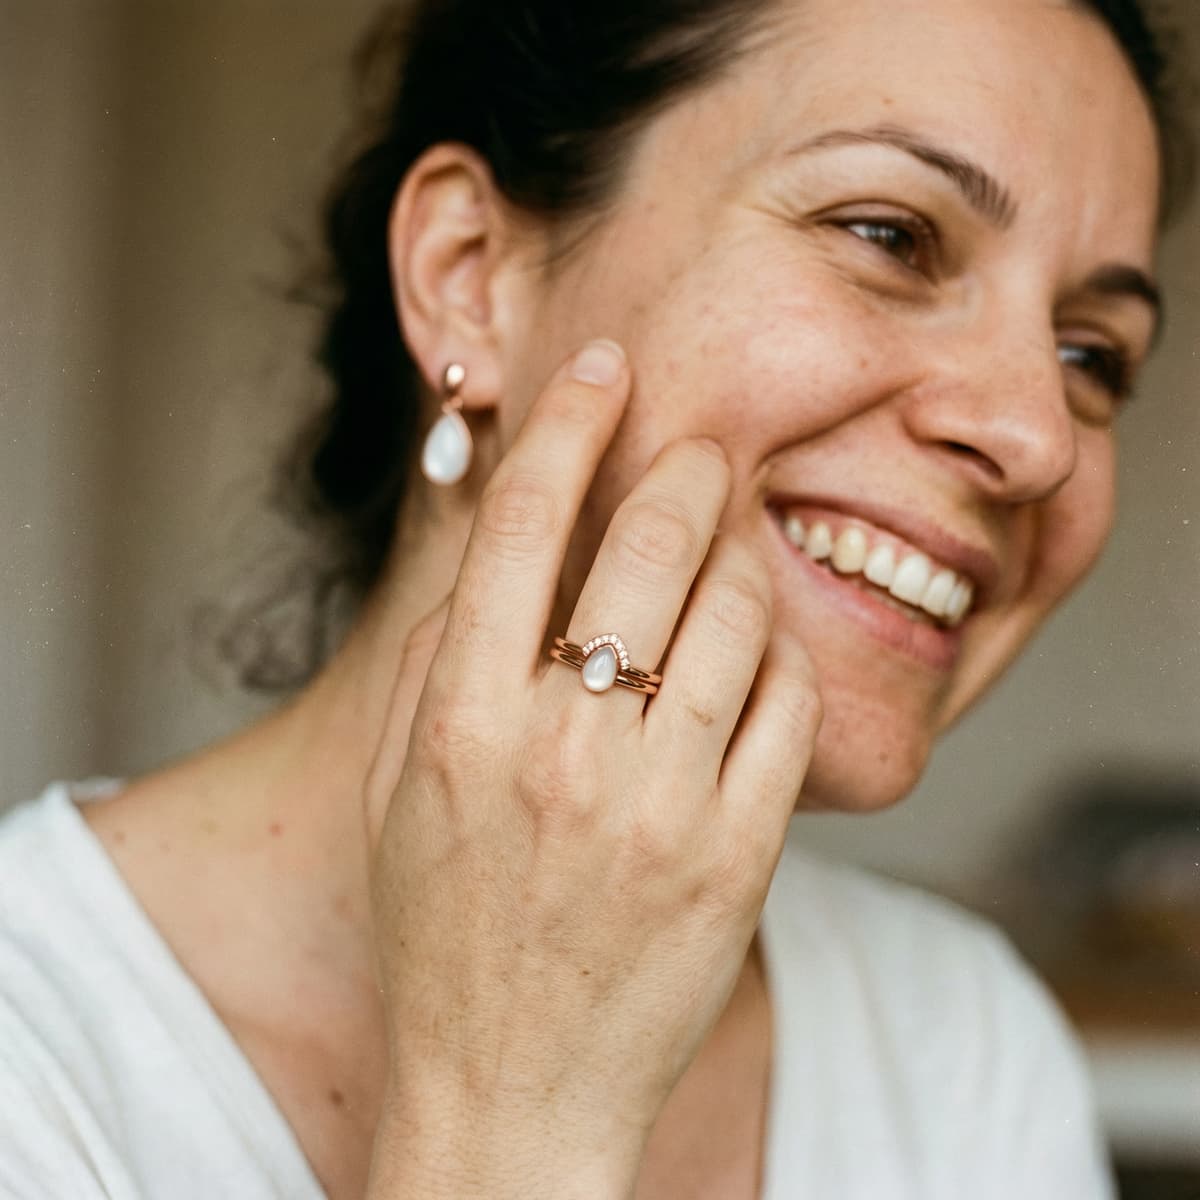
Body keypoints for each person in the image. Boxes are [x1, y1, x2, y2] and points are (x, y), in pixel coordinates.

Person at [0, 0, 1189, 1197]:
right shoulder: (32, 1054)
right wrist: (509, 1115)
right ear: (469, 279)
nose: (1039, 437)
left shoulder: (966, 1052)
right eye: (888, 234)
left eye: (1094, 356)